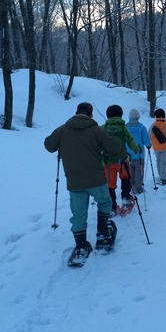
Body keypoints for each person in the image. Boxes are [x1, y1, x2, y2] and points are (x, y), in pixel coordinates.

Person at [44, 102, 129, 266]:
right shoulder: (96, 130)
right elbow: (112, 147)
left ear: (76, 112)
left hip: (74, 182)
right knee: (104, 202)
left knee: (78, 214)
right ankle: (103, 234)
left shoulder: (63, 129)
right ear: (90, 114)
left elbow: (49, 146)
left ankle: (81, 246)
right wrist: (124, 156)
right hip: (96, 179)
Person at [102, 105, 141, 215]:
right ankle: (126, 197)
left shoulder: (103, 128)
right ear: (120, 114)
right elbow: (130, 140)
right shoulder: (123, 128)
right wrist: (136, 149)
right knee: (126, 177)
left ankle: (112, 207)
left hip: (108, 162)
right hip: (122, 160)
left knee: (110, 184)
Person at [126, 108, 151, 194]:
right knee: (139, 171)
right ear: (138, 117)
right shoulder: (141, 127)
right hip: (139, 155)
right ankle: (138, 187)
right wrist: (148, 145)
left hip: (128, 155)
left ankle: (132, 185)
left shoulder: (125, 127)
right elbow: (146, 140)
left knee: (131, 170)